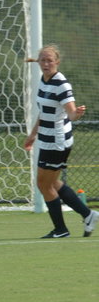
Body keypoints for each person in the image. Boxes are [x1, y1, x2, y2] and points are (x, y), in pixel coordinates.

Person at [23, 44, 99, 238]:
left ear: (57, 62)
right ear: (38, 62)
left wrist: (77, 113)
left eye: (49, 60)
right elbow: (44, 112)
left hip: (57, 141)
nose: (46, 63)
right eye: (43, 60)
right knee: (52, 183)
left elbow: (71, 114)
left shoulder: (61, 84)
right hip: (46, 139)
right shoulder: (43, 80)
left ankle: (61, 229)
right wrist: (33, 135)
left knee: (43, 184)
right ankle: (88, 215)